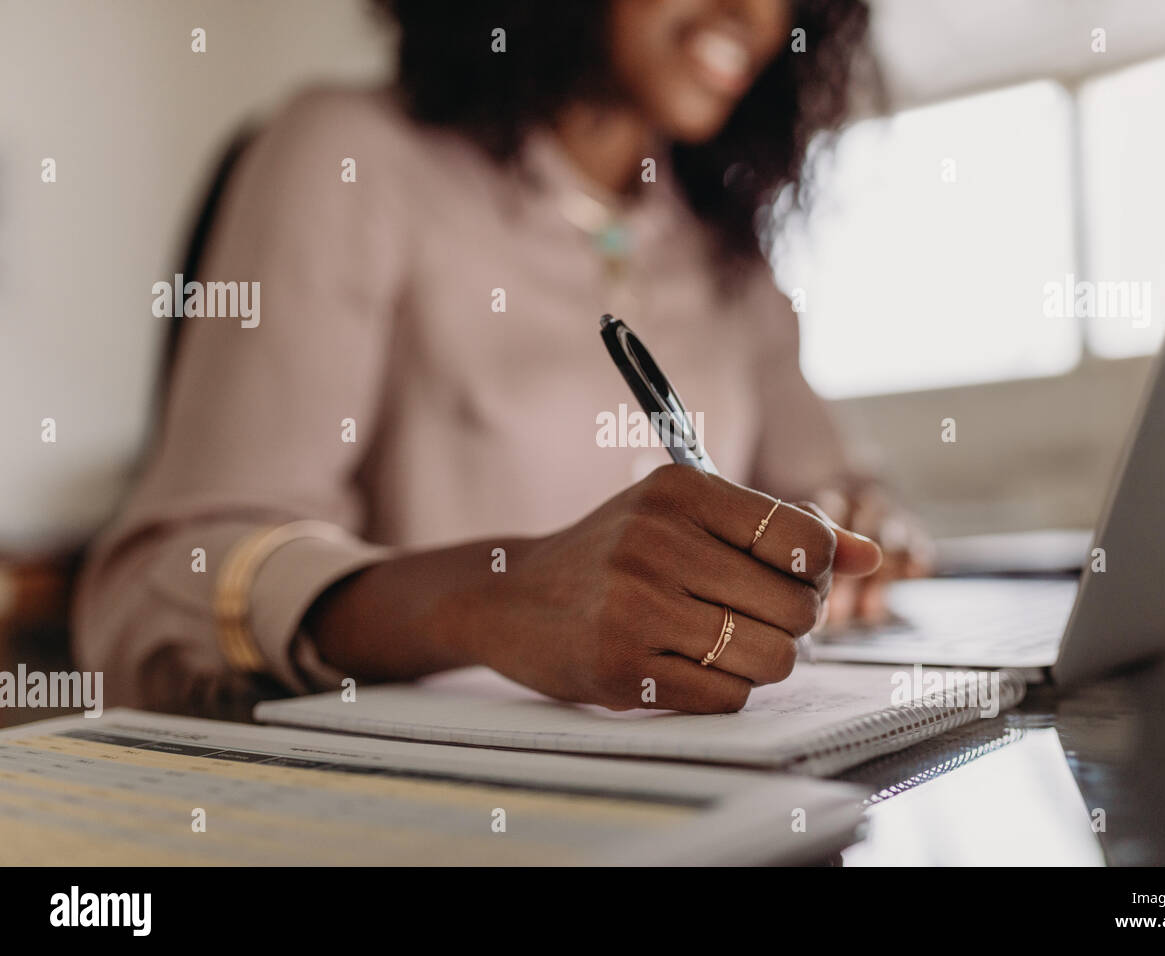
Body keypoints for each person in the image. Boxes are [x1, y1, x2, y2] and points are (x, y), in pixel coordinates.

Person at [74, 0, 925, 717]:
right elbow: (154, 591)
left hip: (713, 796)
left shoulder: (726, 251)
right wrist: (482, 600)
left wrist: (850, 531)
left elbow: (834, 487)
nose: (754, 11)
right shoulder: (350, 156)